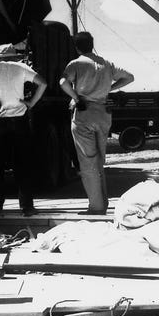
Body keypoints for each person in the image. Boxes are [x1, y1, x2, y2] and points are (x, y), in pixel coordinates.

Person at [59, 31, 134, 215]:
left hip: (84, 113)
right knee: (99, 160)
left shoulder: (76, 64)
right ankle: (103, 202)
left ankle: (96, 206)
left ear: (76, 47)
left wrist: (76, 97)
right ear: (92, 44)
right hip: (103, 113)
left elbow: (62, 82)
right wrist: (110, 88)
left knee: (88, 161)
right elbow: (129, 77)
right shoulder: (106, 64)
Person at [0, 44, 47, 216]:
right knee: (22, 165)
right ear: (14, 55)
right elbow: (43, 83)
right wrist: (31, 103)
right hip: (19, 121)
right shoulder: (21, 67)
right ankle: (27, 207)